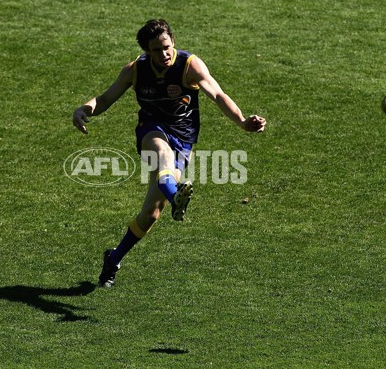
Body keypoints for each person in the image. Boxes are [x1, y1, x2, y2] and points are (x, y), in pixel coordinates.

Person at [72, 19, 266, 288]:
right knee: (162, 154)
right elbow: (105, 98)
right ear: (146, 51)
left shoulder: (189, 65)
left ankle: (114, 259)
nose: (163, 54)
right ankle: (176, 196)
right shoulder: (135, 70)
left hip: (183, 141)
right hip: (150, 132)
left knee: (150, 215)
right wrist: (84, 109)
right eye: (156, 50)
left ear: (173, 40)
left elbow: (218, 94)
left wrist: (242, 122)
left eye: (166, 46)